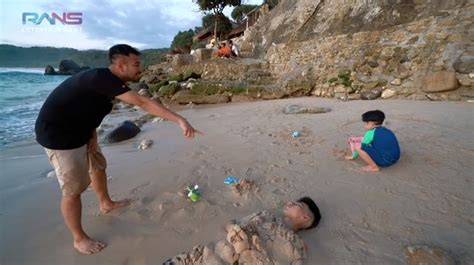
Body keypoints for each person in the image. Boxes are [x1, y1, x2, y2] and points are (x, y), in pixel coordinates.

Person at [35, 44, 202, 255]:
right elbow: (142, 102)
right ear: (121, 65)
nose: (140, 68)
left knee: (98, 167)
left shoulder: (110, 84)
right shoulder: (100, 78)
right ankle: (79, 239)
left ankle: (106, 203)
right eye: (136, 64)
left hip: (82, 130)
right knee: (73, 189)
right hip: (59, 135)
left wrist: (92, 135)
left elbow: (86, 107)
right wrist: (180, 119)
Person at [164, 197, 321, 264]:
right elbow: (231, 224)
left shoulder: (297, 243)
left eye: (298, 204)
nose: (291, 202)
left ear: (306, 218)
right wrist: (232, 228)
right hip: (216, 254)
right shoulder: (265, 215)